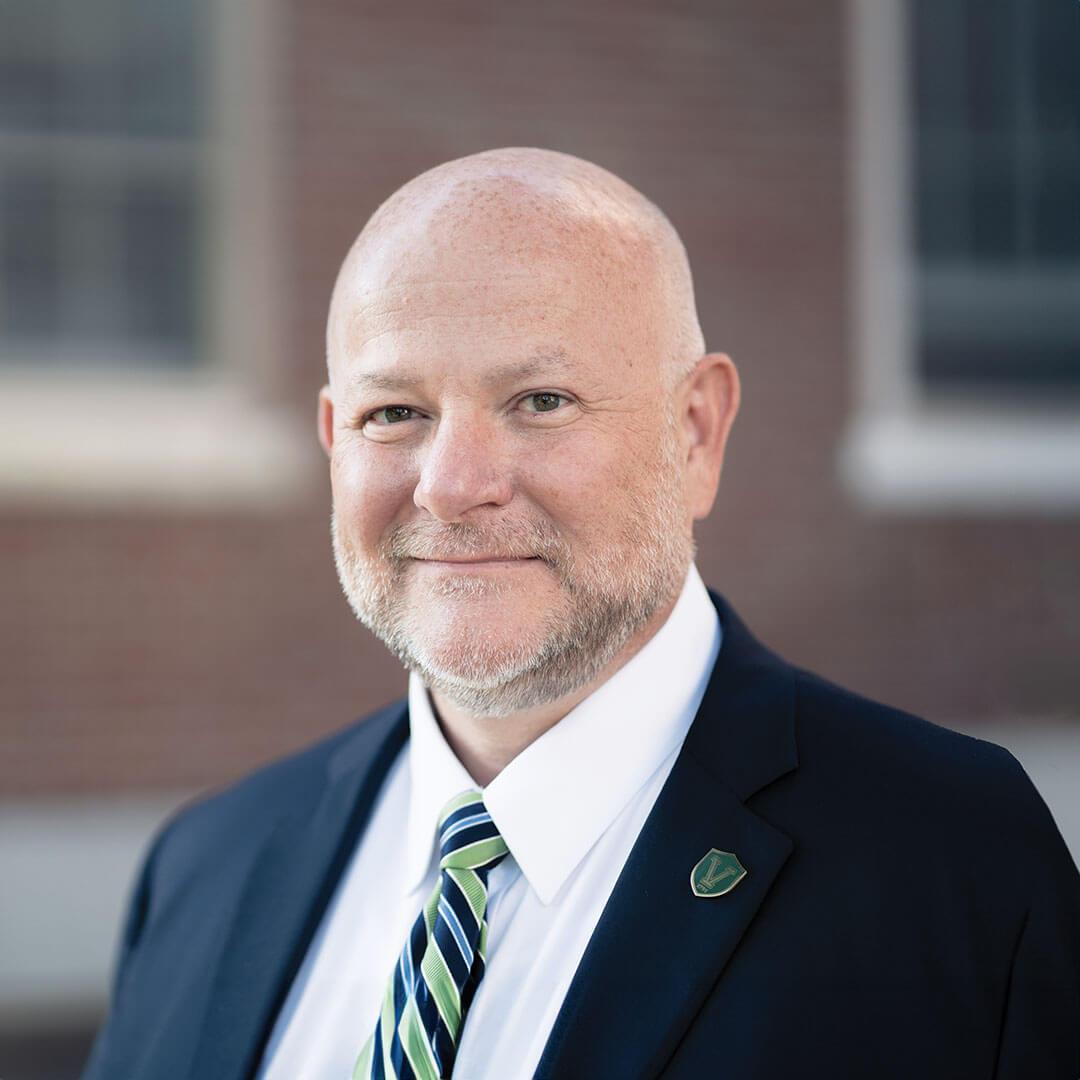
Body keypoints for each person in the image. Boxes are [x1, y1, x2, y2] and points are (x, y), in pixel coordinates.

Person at [83, 148, 1080, 1080]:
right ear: (333, 440)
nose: (452, 485)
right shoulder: (202, 870)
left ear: (695, 432)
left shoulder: (950, 869)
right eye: (395, 413)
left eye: (541, 400)